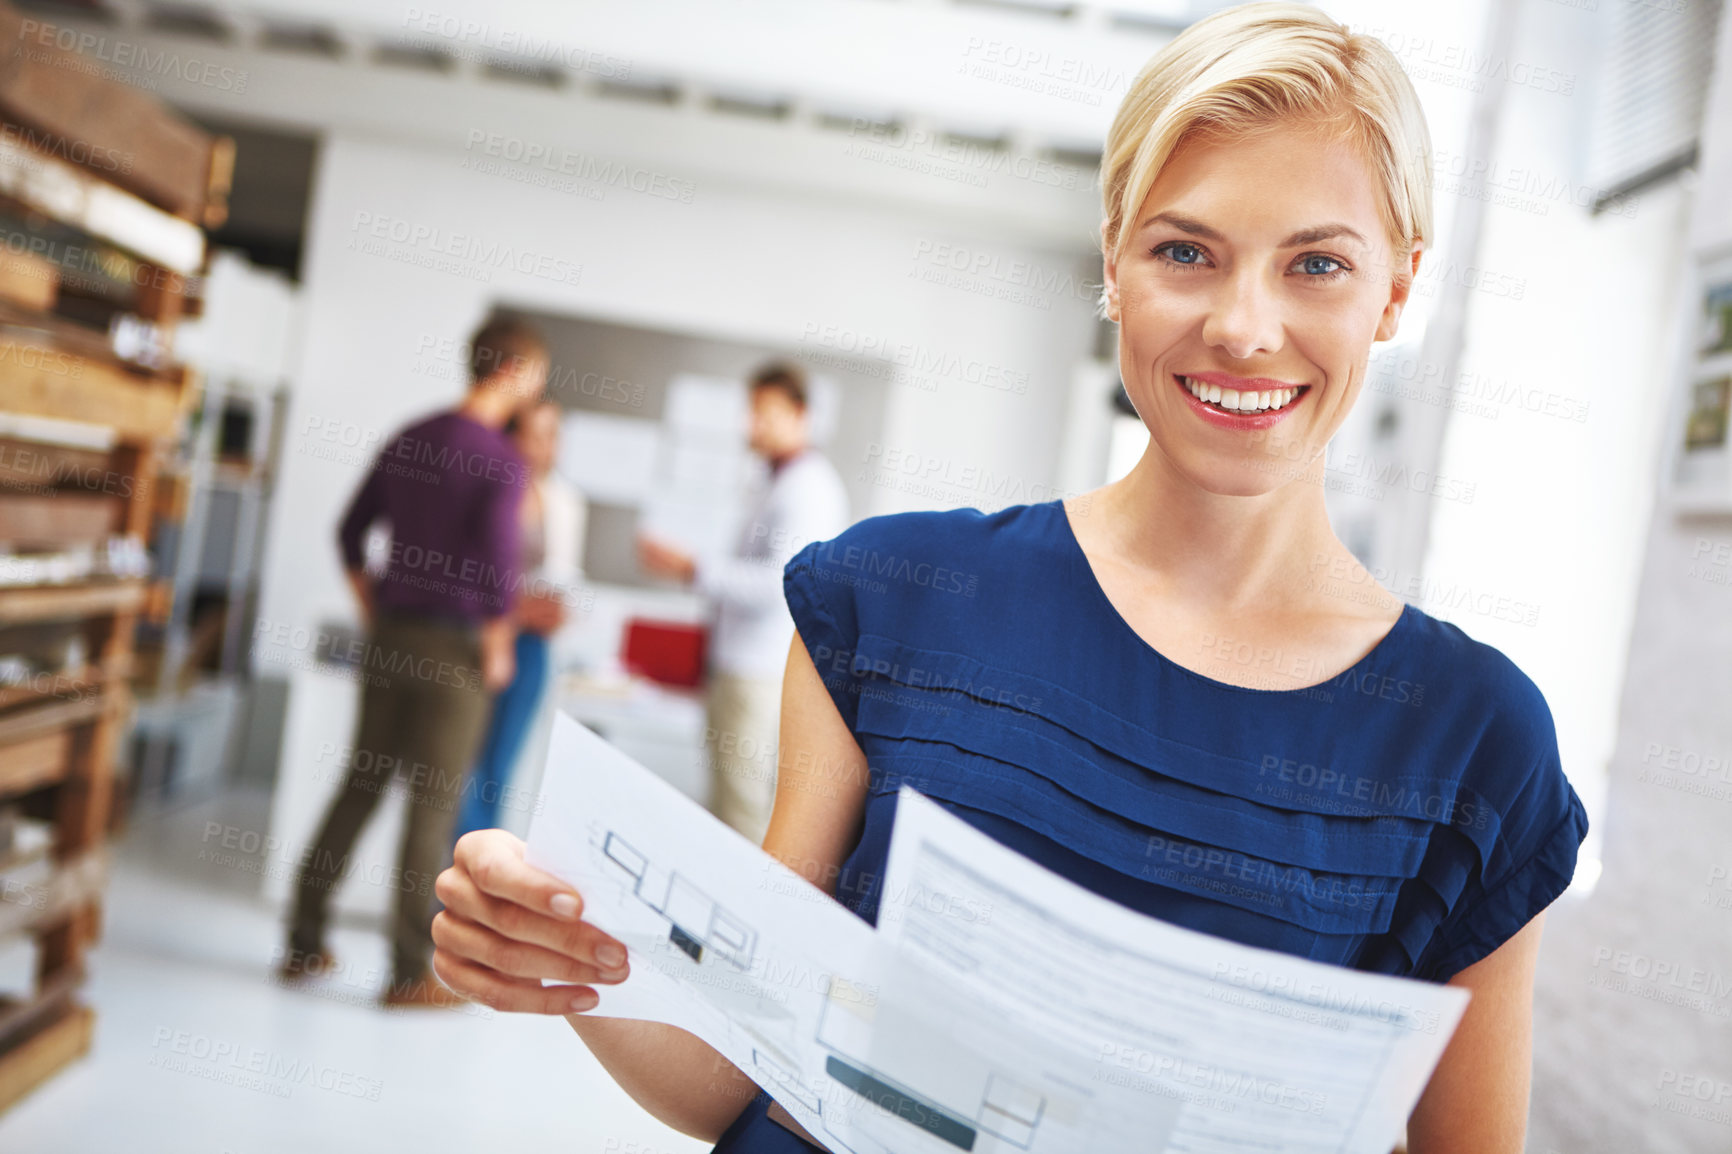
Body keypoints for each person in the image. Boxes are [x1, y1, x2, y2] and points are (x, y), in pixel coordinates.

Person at [427, 6, 1589, 1152]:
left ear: (1393, 291)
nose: (1243, 326)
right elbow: (743, 1064)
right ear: (1115, 263)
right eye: (1185, 251)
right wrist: (561, 948)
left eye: (1317, 264)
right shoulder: (896, 597)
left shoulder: (1472, 745)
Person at [281, 316, 548, 1008]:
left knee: (359, 785)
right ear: (515, 372)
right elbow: (496, 565)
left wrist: (377, 610)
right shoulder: (501, 459)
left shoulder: (414, 435)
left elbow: (349, 532)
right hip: (455, 649)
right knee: (431, 809)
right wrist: (497, 646)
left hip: (392, 635)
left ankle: (302, 943)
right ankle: (408, 973)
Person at [637, 362, 849, 845]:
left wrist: (692, 567)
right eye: (750, 412)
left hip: (759, 668)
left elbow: (782, 584)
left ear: (801, 414)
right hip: (739, 664)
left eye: (764, 412)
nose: (751, 425)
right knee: (729, 803)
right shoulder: (773, 480)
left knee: (741, 812)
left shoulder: (809, 489)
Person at [450, 398, 587, 843]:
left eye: (554, 434)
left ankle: (482, 878)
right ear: (511, 437)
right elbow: (460, 572)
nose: (548, 446)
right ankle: (455, 882)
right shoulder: (483, 490)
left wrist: (556, 609)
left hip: (533, 649)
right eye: (537, 433)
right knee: (463, 762)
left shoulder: (565, 502)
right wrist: (514, 607)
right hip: (482, 639)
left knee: (500, 768)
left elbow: (564, 576)